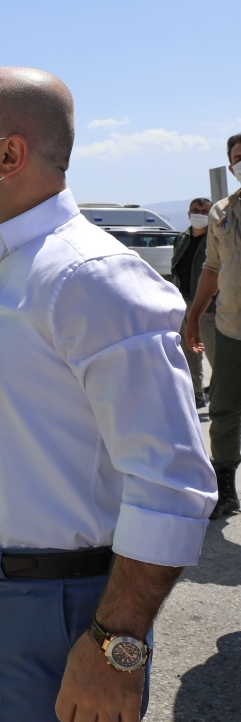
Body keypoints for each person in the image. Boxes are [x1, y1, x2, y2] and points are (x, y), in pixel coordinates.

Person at [0, 67, 216, 722]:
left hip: (66, 613)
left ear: (10, 154)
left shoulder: (92, 279)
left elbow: (173, 485)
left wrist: (116, 647)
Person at [187, 133, 241, 519]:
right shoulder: (221, 211)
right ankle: (226, 492)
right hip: (232, 329)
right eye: (238, 157)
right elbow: (212, 268)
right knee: (224, 411)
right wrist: (193, 315)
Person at [172, 197, 215, 408]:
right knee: (189, 355)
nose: (200, 214)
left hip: (209, 308)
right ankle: (196, 396)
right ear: (189, 213)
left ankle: (223, 400)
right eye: (196, 210)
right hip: (184, 303)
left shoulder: (216, 238)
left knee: (216, 357)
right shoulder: (182, 238)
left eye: (205, 211)